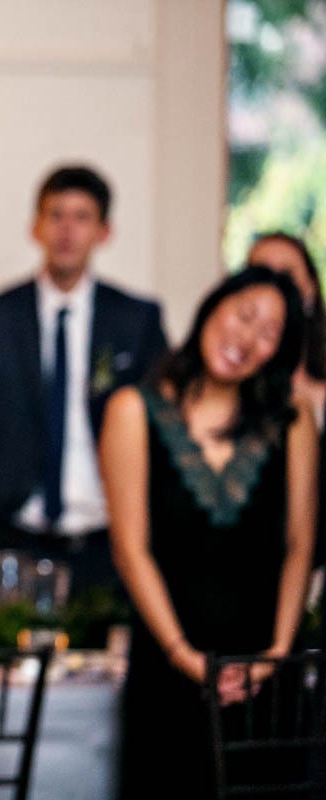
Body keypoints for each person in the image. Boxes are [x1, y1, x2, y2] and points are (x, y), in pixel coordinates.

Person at [99, 267, 317, 799]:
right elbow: (132, 549)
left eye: (269, 334)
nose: (248, 339)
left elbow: (299, 545)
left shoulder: (291, 416)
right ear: (213, 305)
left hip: (265, 675)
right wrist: (184, 656)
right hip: (167, 672)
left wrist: (276, 653)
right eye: (245, 316)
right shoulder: (133, 409)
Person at [0, 164, 168, 601]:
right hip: (16, 545)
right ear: (36, 227)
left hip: (110, 546)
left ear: (104, 232)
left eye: (82, 217)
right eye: (56, 215)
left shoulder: (137, 321)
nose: (67, 229)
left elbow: (166, 434)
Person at [245, 231, 326, 650]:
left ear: (310, 287)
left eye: (288, 275)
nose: (275, 285)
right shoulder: (234, 386)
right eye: (261, 272)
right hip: (259, 582)